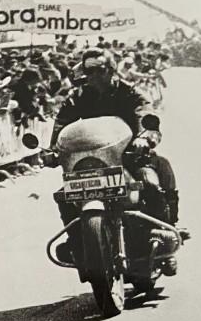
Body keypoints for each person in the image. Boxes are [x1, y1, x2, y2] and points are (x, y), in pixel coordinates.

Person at [51, 48, 182, 274]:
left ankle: (164, 232)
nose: (92, 76)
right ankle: (77, 242)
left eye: (98, 70)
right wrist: (53, 148)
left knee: (151, 180)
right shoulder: (79, 97)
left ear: (111, 70)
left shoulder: (129, 92)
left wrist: (144, 138)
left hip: (129, 156)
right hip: (92, 162)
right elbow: (62, 121)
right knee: (64, 196)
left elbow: (144, 113)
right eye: (88, 71)